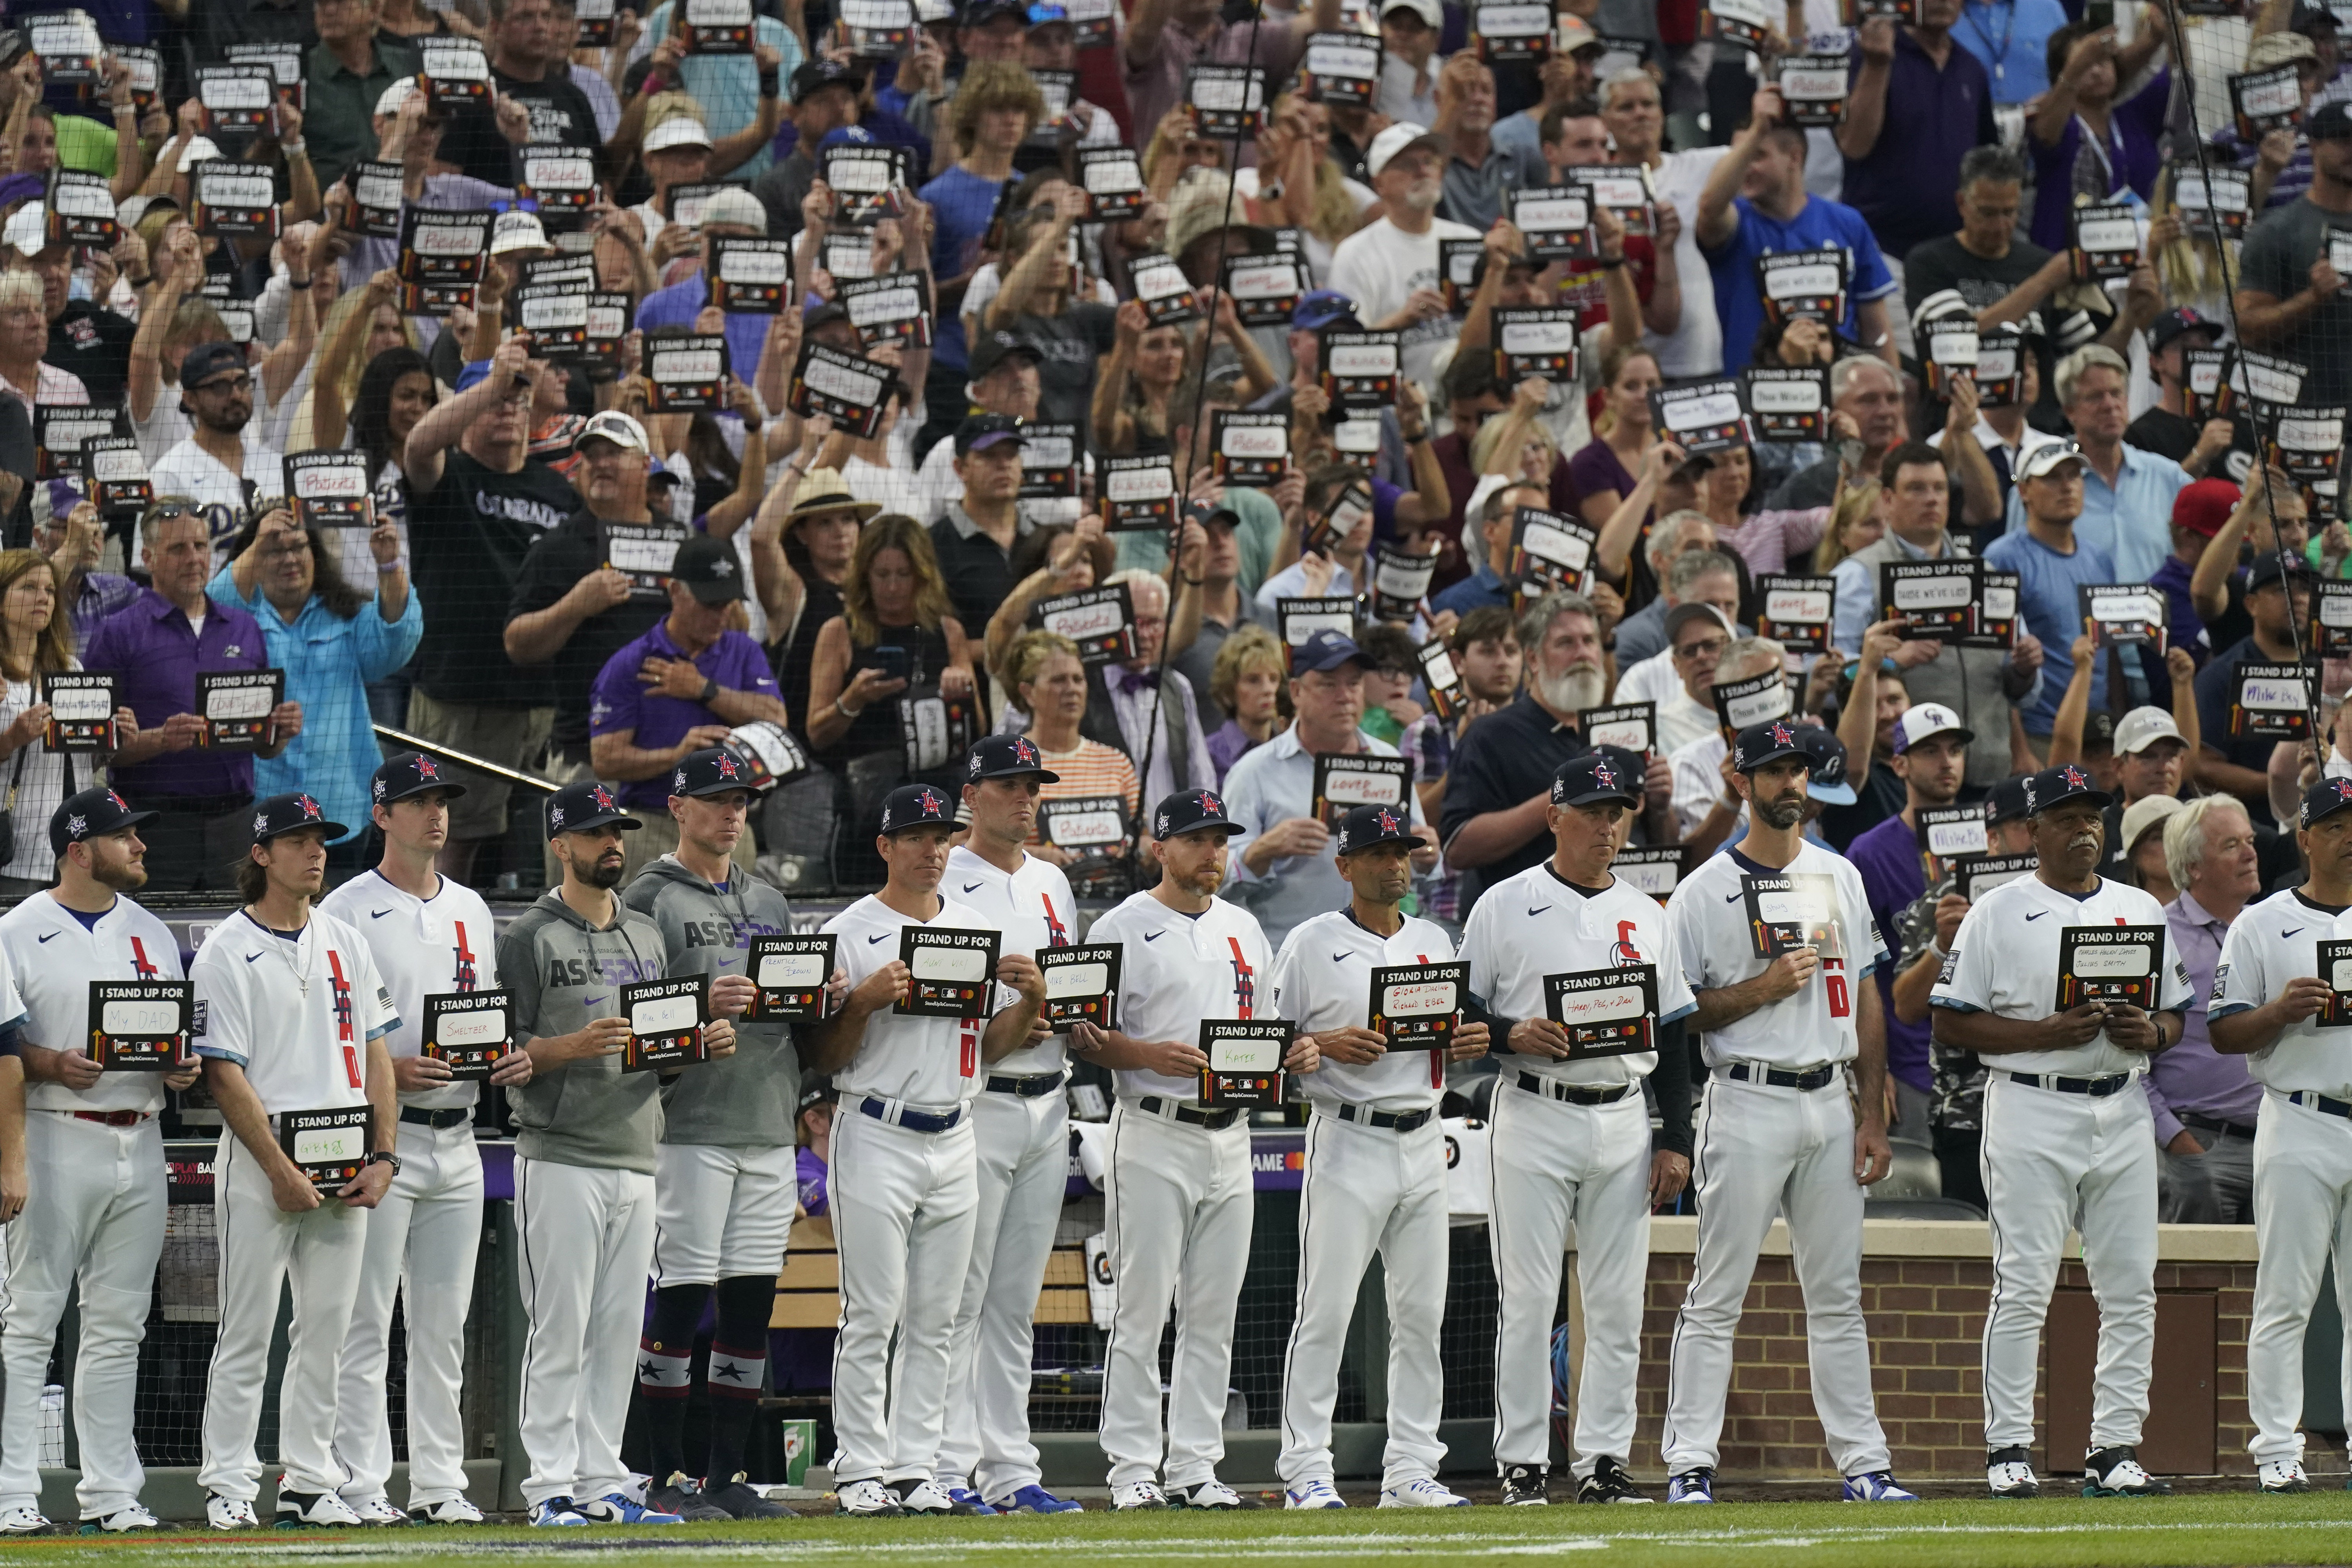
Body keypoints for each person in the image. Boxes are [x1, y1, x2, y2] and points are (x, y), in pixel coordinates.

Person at [1657, 720, 1914, 1505]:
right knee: (1717, 1289)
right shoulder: (1702, 888)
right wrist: (1760, 990)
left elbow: (1867, 991)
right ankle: (1690, 1463)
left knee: (1837, 1292)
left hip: (1829, 1098)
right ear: (1740, 781)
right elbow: (1677, 1013)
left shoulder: (1838, 874)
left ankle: (1864, 1463)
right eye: (1773, 772)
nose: (1788, 784)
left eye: (1799, 769)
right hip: (1745, 1095)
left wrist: (1871, 1111)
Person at [1931, 762, 2192, 1501]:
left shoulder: (2140, 907)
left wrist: (2155, 1032)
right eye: (2068, 817)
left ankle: (2114, 1448)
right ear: (2033, 830)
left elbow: (2177, 1012)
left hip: (2121, 1099)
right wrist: (2041, 1032)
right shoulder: (1998, 909)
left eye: (2093, 817)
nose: (2085, 829)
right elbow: (1950, 1018)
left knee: (2131, 1286)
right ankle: (2007, 1447)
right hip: (2031, 1103)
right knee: (2024, 1282)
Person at [498, 780, 746, 1528]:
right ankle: (549, 1488)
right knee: (560, 1328)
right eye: (597, 832)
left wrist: (698, 1048)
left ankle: (604, 1480)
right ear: (561, 844)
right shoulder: (529, 935)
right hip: (561, 1151)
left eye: (617, 831)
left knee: (615, 1334)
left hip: (639, 1153)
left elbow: (658, 1051)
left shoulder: (645, 934)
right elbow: (495, 1055)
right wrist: (566, 1049)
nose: (613, 843)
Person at [800, 783, 1045, 1516]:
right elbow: (824, 1056)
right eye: (915, 837)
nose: (932, 851)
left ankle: (916, 1466)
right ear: (884, 847)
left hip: (957, 1125)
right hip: (875, 1126)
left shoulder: (973, 926)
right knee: (873, 1311)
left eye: (942, 838)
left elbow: (991, 1047)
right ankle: (859, 1468)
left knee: (938, 1316)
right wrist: (862, 1001)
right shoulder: (849, 929)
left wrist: (1031, 1002)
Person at [1457, 754, 1692, 1505]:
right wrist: (1508, 1033)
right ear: (1555, 816)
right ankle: (1522, 1463)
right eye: (1592, 810)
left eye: (1618, 810)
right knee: (1526, 1297)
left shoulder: (1648, 914)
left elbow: (1676, 1033)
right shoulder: (1504, 903)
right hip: (1533, 1107)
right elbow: (1454, 1014)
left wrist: (1677, 1135)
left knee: (1618, 1303)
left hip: (1623, 1114)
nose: (1608, 824)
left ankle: (1602, 1462)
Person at [1073, 788, 1316, 1510]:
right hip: (1151, 1125)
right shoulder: (1120, 926)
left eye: (1220, 841)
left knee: (1214, 1313)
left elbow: (1267, 1029)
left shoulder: (1245, 928)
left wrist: (1288, 1055)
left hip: (1231, 1134)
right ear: (1161, 848)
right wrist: (1148, 1052)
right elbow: (1083, 1033)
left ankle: (1195, 1467)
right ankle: (1131, 1471)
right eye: (1199, 840)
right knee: (1140, 1313)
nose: (1212, 853)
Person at [318, 754, 523, 1526]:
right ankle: (363, 1483)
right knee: (366, 1321)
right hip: (385, 1136)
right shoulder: (343, 906)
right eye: (417, 801)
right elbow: (332, 1030)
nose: (435, 813)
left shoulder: (472, 905)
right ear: (382, 815)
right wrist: (388, 1070)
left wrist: (497, 1053)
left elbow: (483, 1008)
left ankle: (441, 1482)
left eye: (441, 800)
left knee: (443, 1325)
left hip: (462, 1131)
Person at [192, 793, 399, 1530]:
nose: (315, 852)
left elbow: (378, 1056)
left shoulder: (345, 939)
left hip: (346, 1162)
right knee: (247, 1329)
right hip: (260, 1165)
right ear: (261, 853)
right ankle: (228, 1485)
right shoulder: (225, 949)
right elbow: (224, 1073)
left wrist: (384, 1156)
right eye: (297, 840)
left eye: (320, 839)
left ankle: (311, 1481)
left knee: (330, 1330)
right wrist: (279, 1168)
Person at [1270, 802, 1486, 1510]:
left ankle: (1413, 1469)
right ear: (1345, 866)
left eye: (1403, 852)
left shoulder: (1435, 939)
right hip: (1347, 1133)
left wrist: (1468, 1041)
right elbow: (1267, 1047)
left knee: (1422, 1313)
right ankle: (1306, 1466)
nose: (1395, 863)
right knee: (1326, 1309)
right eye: (1379, 853)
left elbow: (1458, 1029)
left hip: (1425, 1134)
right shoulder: (1309, 942)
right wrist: (1323, 1045)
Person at [623, 748, 811, 1523]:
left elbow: (796, 1014)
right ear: (679, 806)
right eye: (715, 799)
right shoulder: (647, 896)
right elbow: (631, 1016)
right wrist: (702, 1000)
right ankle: (663, 1472)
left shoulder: (770, 898)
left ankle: (727, 1473)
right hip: (690, 1125)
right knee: (680, 1299)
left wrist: (817, 994)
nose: (731, 812)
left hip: (769, 1117)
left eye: (739, 800)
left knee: (749, 1304)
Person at [0, 788, 183, 1535]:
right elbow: (6, 1054)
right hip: (53, 1134)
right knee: (29, 1323)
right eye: (125, 837)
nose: (140, 846)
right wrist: (46, 1069)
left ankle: (112, 1495)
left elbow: (163, 1033)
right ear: (80, 849)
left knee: (119, 1326)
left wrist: (180, 1066)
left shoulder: (153, 933)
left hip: (141, 1135)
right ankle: (12, 1493)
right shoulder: (16, 929)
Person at [933, 735, 1087, 1516]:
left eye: (1033, 785)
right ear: (974, 792)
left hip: (1050, 1093)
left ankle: (1009, 1465)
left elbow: (1077, 982)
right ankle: (948, 1464)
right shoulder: (943, 873)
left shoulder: (1055, 881)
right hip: (981, 1094)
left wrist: (1067, 1011)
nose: (1025, 797)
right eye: (1010, 784)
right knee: (963, 1291)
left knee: (1016, 1295)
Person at [2209, 776, 2352, 1494]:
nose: (2350, 836)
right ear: (2304, 837)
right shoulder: (2262, 923)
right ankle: (2275, 1450)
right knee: (2287, 1294)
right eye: (2336, 826)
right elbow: (2223, 1032)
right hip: (2300, 1113)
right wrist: (2278, 1012)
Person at [401, 335, 577, 880]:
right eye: (493, 398)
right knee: (447, 842)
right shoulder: (445, 476)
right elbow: (417, 445)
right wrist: (494, 383)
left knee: (540, 844)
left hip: (539, 700)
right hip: (461, 694)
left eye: (517, 399)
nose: (507, 407)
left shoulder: (558, 490)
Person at [83, 504, 302, 891]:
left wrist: (280, 733)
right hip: (151, 827)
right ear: (148, 558)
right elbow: (94, 748)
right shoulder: (117, 633)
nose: (194, 558)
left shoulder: (244, 628)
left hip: (235, 824)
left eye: (201, 545)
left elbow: (265, 748)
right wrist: (159, 741)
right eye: (178, 548)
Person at [209, 508, 420, 861]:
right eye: (275, 550)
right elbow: (208, 613)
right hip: (261, 807)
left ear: (316, 555)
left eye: (300, 548)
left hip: (342, 806)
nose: (290, 559)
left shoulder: (348, 614)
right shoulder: (237, 621)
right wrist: (259, 540)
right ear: (255, 557)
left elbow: (395, 642)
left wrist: (388, 565)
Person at [1442, 592, 1672, 912]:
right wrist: (1560, 797)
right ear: (1533, 659)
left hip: (1617, 918)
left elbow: (1658, 843)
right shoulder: (1492, 734)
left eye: (1590, 641)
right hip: (1523, 922)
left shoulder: (1625, 734)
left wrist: (1659, 807)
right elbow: (1458, 847)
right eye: (1566, 643)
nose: (1583, 654)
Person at [1832, 443, 2039, 784]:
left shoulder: (1985, 573)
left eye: (1940, 488)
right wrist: (1890, 662)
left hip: (1991, 773)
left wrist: (2025, 669)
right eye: (1916, 489)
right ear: (1887, 500)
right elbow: (1827, 679)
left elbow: (2021, 689)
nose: (1931, 499)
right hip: (1902, 780)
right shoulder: (1857, 575)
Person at [1220, 630, 1437, 953]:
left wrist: (1427, 857)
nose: (1345, 696)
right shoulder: (1254, 771)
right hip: (1288, 956)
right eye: (1328, 684)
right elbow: (1214, 876)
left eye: (1354, 683)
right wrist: (1261, 851)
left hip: (1380, 952)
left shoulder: (1389, 764)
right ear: (1295, 692)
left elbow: (1423, 872)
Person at [587, 535, 787, 879]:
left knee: (738, 929)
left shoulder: (744, 651)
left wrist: (703, 688)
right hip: (656, 827)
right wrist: (678, 755)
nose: (721, 615)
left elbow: (777, 720)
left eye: (728, 603)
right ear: (676, 591)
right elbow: (605, 759)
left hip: (733, 826)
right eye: (710, 604)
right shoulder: (633, 663)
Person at [503, 413, 674, 786]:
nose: (601, 464)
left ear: (646, 466)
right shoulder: (556, 548)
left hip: (672, 754)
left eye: (614, 454)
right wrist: (576, 604)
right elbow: (517, 644)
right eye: (593, 455)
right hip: (587, 757)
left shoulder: (679, 544)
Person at [1842, 703, 1976, 1149]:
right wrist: (1872, 1070)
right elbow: (1855, 971)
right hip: (1911, 1067)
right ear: (1899, 763)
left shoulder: (1993, 842)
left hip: (1991, 1062)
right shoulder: (1868, 853)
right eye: (1930, 751)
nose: (1947, 761)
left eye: (1956, 749)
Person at [1696, 87, 1898, 375]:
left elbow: (1877, 328)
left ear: (1794, 157)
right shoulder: (1736, 223)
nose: (1744, 168)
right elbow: (1709, 208)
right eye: (1739, 155)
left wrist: (1892, 392)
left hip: (1840, 393)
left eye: (1757, 156)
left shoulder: (1847, 223)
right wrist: (1758, 131)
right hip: (1759, 394)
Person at [2145, 796, 2261, 1225]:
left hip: (2277, 1147)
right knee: (2192, 1289)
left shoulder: (2268, 927)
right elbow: (2128, 1060)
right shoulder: (2157, 935)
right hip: (2198, 1148)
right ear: (2193, 866)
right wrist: (2177, 1142)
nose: (2252, 853)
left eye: (2249, 840)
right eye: (2232, 845)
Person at [2000, 347, 2188, 587]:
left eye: (2116, 393)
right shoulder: (2038, 485)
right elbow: (2014, 568)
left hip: (2159, 622)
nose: (2110, 405)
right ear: (2070, 411)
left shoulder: (2169, 478)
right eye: (2095, 397)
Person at [1836, 3, 2000, 277]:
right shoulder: (1865, 56)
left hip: (1957, 255)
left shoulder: (1972, 69)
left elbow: (1983, 163)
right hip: (1881, 252)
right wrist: (1877, 66)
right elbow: (1853, 145)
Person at [1329, 123, 1482, 396]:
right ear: (1379, 183)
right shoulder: (1356, 254)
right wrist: (1402, 319)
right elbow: (1344, 352)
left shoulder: (1470, 240)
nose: (1423, 171)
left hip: (1471, 403)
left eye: (1429, 162)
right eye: (1408, 164)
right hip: (1401, 407)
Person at [1595, 67, 1726, 379]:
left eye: (1648, 105)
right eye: (1626, 107)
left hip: (1706, 358)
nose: (1640, 114)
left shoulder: (1703, 166)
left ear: (1662, 114)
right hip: (1632, 370)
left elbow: (1760, 146)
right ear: (1605, 121)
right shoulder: (1593, 189)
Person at [1985, 442, 2114, 748]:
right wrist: (2019, 750)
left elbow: (2111, 650)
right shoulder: (2003, 559)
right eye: (2053, 478)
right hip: (2039, 732)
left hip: (2097, 730)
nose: (2067, 487)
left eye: (2074, 475)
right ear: (2025, 491)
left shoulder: (2099, 559)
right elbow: (1993, 662)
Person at [2234, 98, 2352, 410]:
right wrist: (2312, 298)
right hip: (2308, 416)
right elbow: (2247, 328)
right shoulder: (2279, 230)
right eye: (2343, 140)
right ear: (2313, 146)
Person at [2024, 15, 2172, 256]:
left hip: (2135, 260)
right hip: (2065, 265)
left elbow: (2181, 80)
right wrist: (2077, 67)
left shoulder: (2134, 116)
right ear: (2061, 76)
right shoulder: (2056, 122)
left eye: (2102, 62)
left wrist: (2170, 26)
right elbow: (2044, 136)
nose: (2095, 71)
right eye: (2084, 65)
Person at [2194, 556, 2316, 825]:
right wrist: (2282, 784)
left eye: (2305, 589)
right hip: (2253, 829)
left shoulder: (2334, 674)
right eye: (2281, 590)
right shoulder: (2221, 677)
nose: (2298, 598)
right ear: (2251, 604)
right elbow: (2202, 767)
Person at [149, 341, 286, 563]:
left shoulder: (277, 465)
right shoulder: (169, 475)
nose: (236, 395)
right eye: (220, 387)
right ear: (190, 399)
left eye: (242, 383)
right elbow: (158, 565)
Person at [2125, 309, 2240, 478]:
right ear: (2156, 362)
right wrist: (2199, 456)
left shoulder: (2233, 421)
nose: (2198, 351)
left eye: (2204, 342)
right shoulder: (2140, 435)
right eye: (2183, 345)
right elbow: (2150, 501)